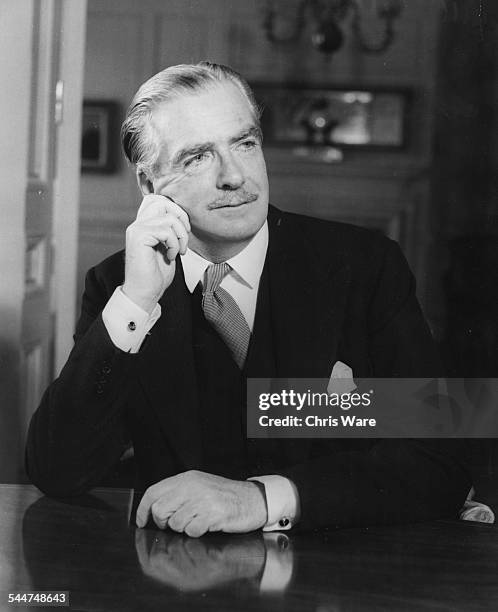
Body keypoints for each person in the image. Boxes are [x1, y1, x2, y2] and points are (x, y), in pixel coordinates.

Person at [26, 62, 471, 537]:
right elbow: (57, 470)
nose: (234, 176)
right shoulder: (118, 285)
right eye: (197, 157)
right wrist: (136, 301)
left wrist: (262, 499)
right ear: (149, 186)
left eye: (245, 143)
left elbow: (441, 461)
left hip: (334, 578)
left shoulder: (365, 265)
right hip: (176, 578)